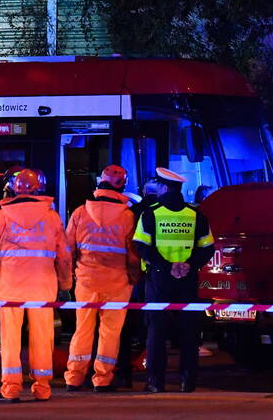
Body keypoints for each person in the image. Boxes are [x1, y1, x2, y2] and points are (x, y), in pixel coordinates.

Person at [0, 169, 72, 402]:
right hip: (43, 287)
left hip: (9, 286)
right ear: (37, 188)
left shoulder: (2, 216)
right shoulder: (52, 217)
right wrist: (65, 283)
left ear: (13, 188)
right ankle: (42, 388)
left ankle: (11, 389)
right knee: (43, 337)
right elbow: (64, 256)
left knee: (10, 338)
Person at [133, 167, 214, 393]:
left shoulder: (150, 214)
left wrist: (166, 267)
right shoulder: (196, 215)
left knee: (156, 332)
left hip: (159, 280)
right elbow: (207, 248)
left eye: (158, 186)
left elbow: (142, 247)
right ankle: (188, 382)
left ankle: (156, 382)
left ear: (165, 187)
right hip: (187, 280)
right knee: (189, 332)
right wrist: (189, 264)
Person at [64, 165, 140, 392]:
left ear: (100, 183)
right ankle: (102, 380)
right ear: (122, 186)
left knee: (82, 330)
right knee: (110, 333)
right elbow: (133, 253)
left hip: (86, 280)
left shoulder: (80, 212)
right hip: (118, 282)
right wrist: (134, 277)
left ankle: (74, 378)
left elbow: (68, 249)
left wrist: (69, 278)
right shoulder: (127, 216)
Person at [116, 177, 161, 387]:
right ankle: (153, 373)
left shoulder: (132, 213)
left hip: (135, 277)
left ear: (144, 192)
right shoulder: (163, 212)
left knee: (126, 325)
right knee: (155, 325)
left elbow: (132, 247)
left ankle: (125, 374)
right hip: (160, 275)